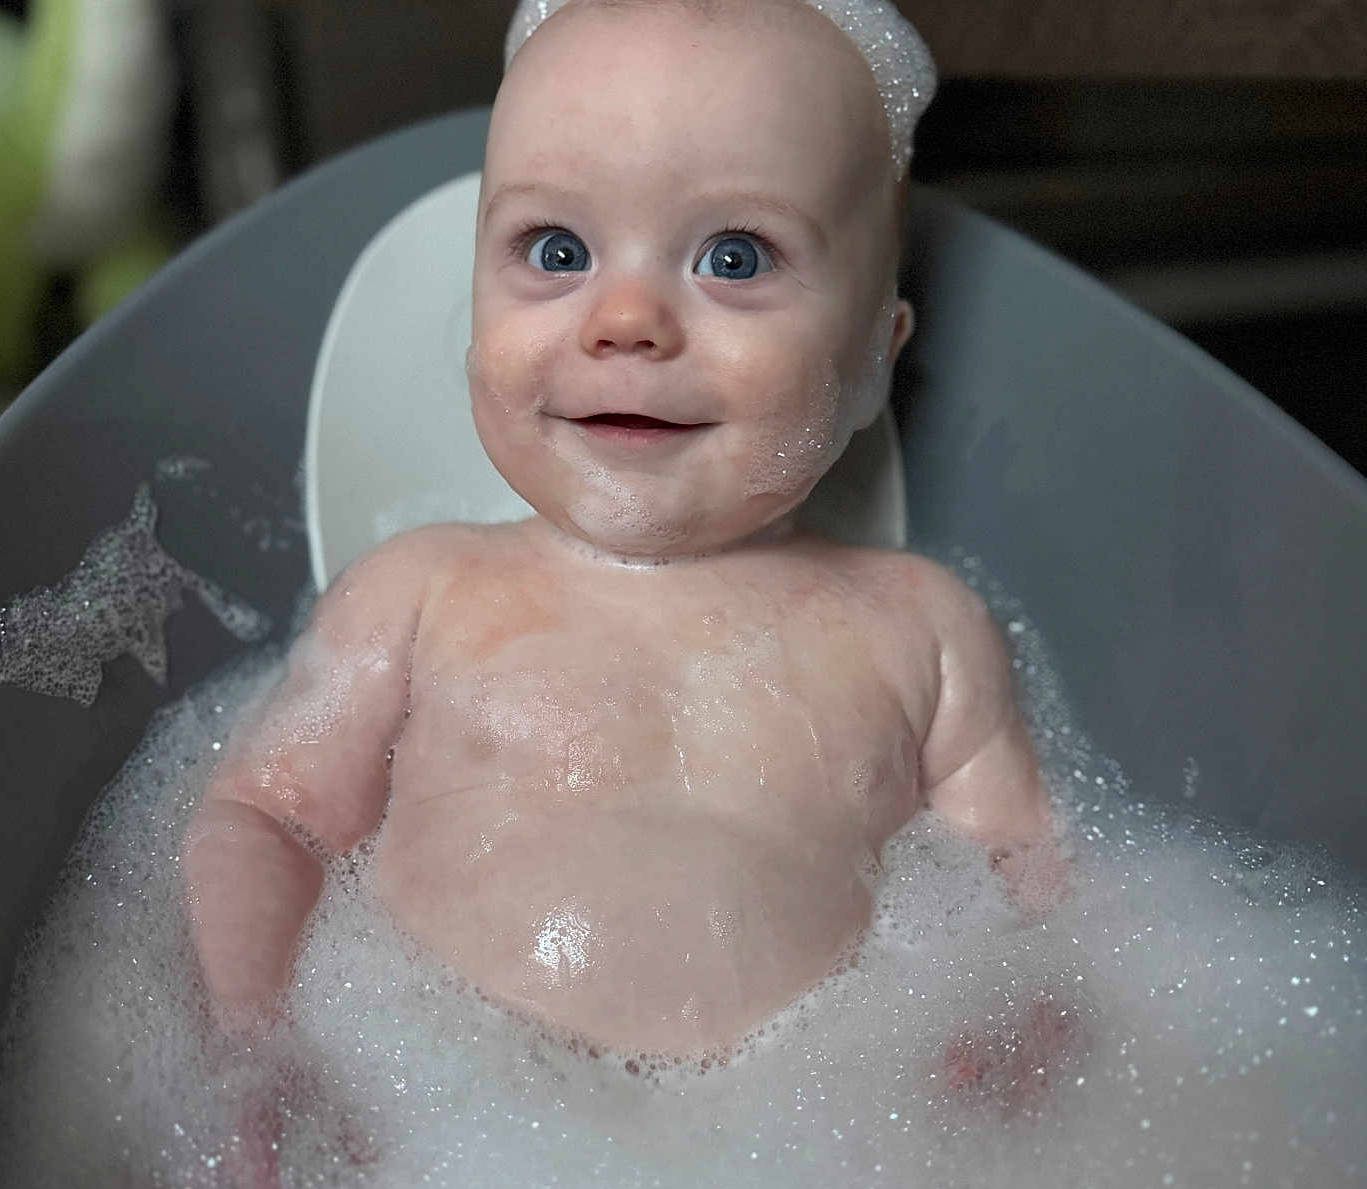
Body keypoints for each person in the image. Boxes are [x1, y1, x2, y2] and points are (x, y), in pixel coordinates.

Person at [184, 0, 1061, 1079]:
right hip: (445, 1100)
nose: (628, 319)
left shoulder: (922, 628)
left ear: (875, 357)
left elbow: (1024, 882)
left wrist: (998, 1043)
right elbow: (269, 818)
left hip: (814, 1123)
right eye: (557, 250)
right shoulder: (419, 592)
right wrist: (257, 1052)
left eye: (734, 258)